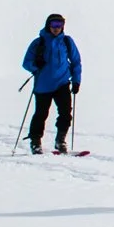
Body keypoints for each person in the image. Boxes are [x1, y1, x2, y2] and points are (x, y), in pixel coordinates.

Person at [21, 13, 82, 154]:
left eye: (59, 25)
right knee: (41, 114)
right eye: (54, 24)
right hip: (43, 85)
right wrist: (36, 66)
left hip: (62, 83)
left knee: (66, 113)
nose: (56, 28)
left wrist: (76, 80)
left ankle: (60, 141)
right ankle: (35, 142)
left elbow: (76, 61)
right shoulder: (38, 43)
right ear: (48, 25)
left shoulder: (67, 41)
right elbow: (26, 63)